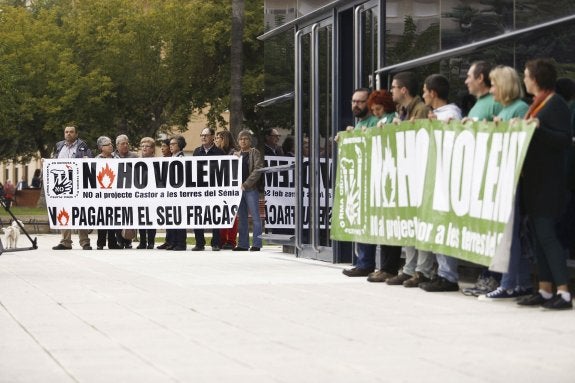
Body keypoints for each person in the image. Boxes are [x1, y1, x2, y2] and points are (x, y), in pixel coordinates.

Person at [517, 58, 572, 310]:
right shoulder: (535, 105)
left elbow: (562, 140)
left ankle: (563, 291)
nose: (524, 79)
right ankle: (545, 289)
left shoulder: (555, 103)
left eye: (527, 75)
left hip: (550, 184)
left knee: (548, 236)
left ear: (536, 78)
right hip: (534, 182)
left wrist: (537, 129)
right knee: (538, 237)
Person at [476, 66, 533, 300]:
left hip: (514, 179)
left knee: (510, 234)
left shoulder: (518, 108)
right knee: (513, 233)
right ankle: (520, 282)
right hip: (506, 178)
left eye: (494, 85)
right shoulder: (509, 109)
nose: (491, 90)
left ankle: (510, 283)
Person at [348, 89, 403, 283]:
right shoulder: (365, 122)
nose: (356, 105)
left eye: (360, 102)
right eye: (353, 101)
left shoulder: (386, 120)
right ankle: (370, 263)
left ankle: (380, 265)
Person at [385, 73, 432, 287]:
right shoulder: (401, 111)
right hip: (407, 173)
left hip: (418, 173)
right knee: (408, 223)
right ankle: (410, 268)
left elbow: (421, 140)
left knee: (419, 223)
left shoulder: (420, 109)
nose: (391, 91)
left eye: (394, 87)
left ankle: (423, 269)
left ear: (404, 90)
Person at [460, 61, 503, 297]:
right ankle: (487, 275)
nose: (466, 80)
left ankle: (495, 278)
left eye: (469, 76)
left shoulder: (495, 103)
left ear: (481, 78)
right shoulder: (478, 105)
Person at [417, 74, 462, 292]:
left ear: (433, 93)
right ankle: (441, 272)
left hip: (446, 179)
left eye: (425, 91)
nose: (423, 95)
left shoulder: (451, 114)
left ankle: (448, 276)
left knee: (444, 225)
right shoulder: (434, 114)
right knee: (435, 225)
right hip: (434, 178)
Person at [52, 125, 93, 250]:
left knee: (80, 212)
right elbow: (53, 161)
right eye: (66, 132)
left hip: (79, 184)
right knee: (63, 211)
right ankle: (65, 242)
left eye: (71, 132)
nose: (68, 134)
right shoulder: (59, 146)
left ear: (76, 134)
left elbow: (90, 163)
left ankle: (85, 242)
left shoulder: (83, 146)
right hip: (62, 184)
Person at [192, 128, 225, 251]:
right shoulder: (196, 152)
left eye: (206, 135)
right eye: (202, 135)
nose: (203, 137)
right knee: (197, 215)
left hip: (214, 189)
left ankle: (216, 243)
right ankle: (199, 243)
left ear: (212, 137)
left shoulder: (219, 152)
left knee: (215, 215)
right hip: (199, 189)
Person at [232, 129, 264, 251]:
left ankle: (256, 244)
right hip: (238, 191)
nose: (243, 141)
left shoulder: (254, 152)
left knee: (256, 217)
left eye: (245, 138)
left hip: (250, 189)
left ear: (250, 141)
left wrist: (246, 184)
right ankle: (243, 244)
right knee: (242, 217)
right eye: (241, 139)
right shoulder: (235, 154)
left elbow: (257, 170)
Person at [95, 136, 121, 250]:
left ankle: (112, 242)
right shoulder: (96, 160)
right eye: (107, 144)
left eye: (111, 144)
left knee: (113, 218)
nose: (111, 146)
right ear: (101, 147)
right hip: (101, 194)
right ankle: (100, 243)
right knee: (102, 218)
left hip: (114, 194)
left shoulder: (117, 159)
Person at [215, 130, 240, 250]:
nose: (216, 140)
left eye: (218, 138)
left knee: (231, 214)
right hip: (219, 187)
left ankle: (231, 240)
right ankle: (222, 239)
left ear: (224, 139)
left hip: (230, 187)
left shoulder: (233, 153)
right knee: (221, 213)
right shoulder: (217, 152)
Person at [166, 135, 188, 251]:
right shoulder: (171, 157)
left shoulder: (182, 158)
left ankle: (181, 243)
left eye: (173, 144)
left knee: (180, 217)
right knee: (172, 217)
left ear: (179, 145)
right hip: (171, 192)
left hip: (180, 193)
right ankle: (173, 242)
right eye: (170, 144)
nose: (170, 146)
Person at [137, 137, 157, 249]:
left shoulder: (157, 161)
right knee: (141, 218)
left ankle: (151, 242)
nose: (144, 148)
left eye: (147, 146)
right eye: (142, 146)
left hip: (152, 194)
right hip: (140, 193)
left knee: (151, 218)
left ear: (153, 149)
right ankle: (142, 241)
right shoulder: (136, 161)